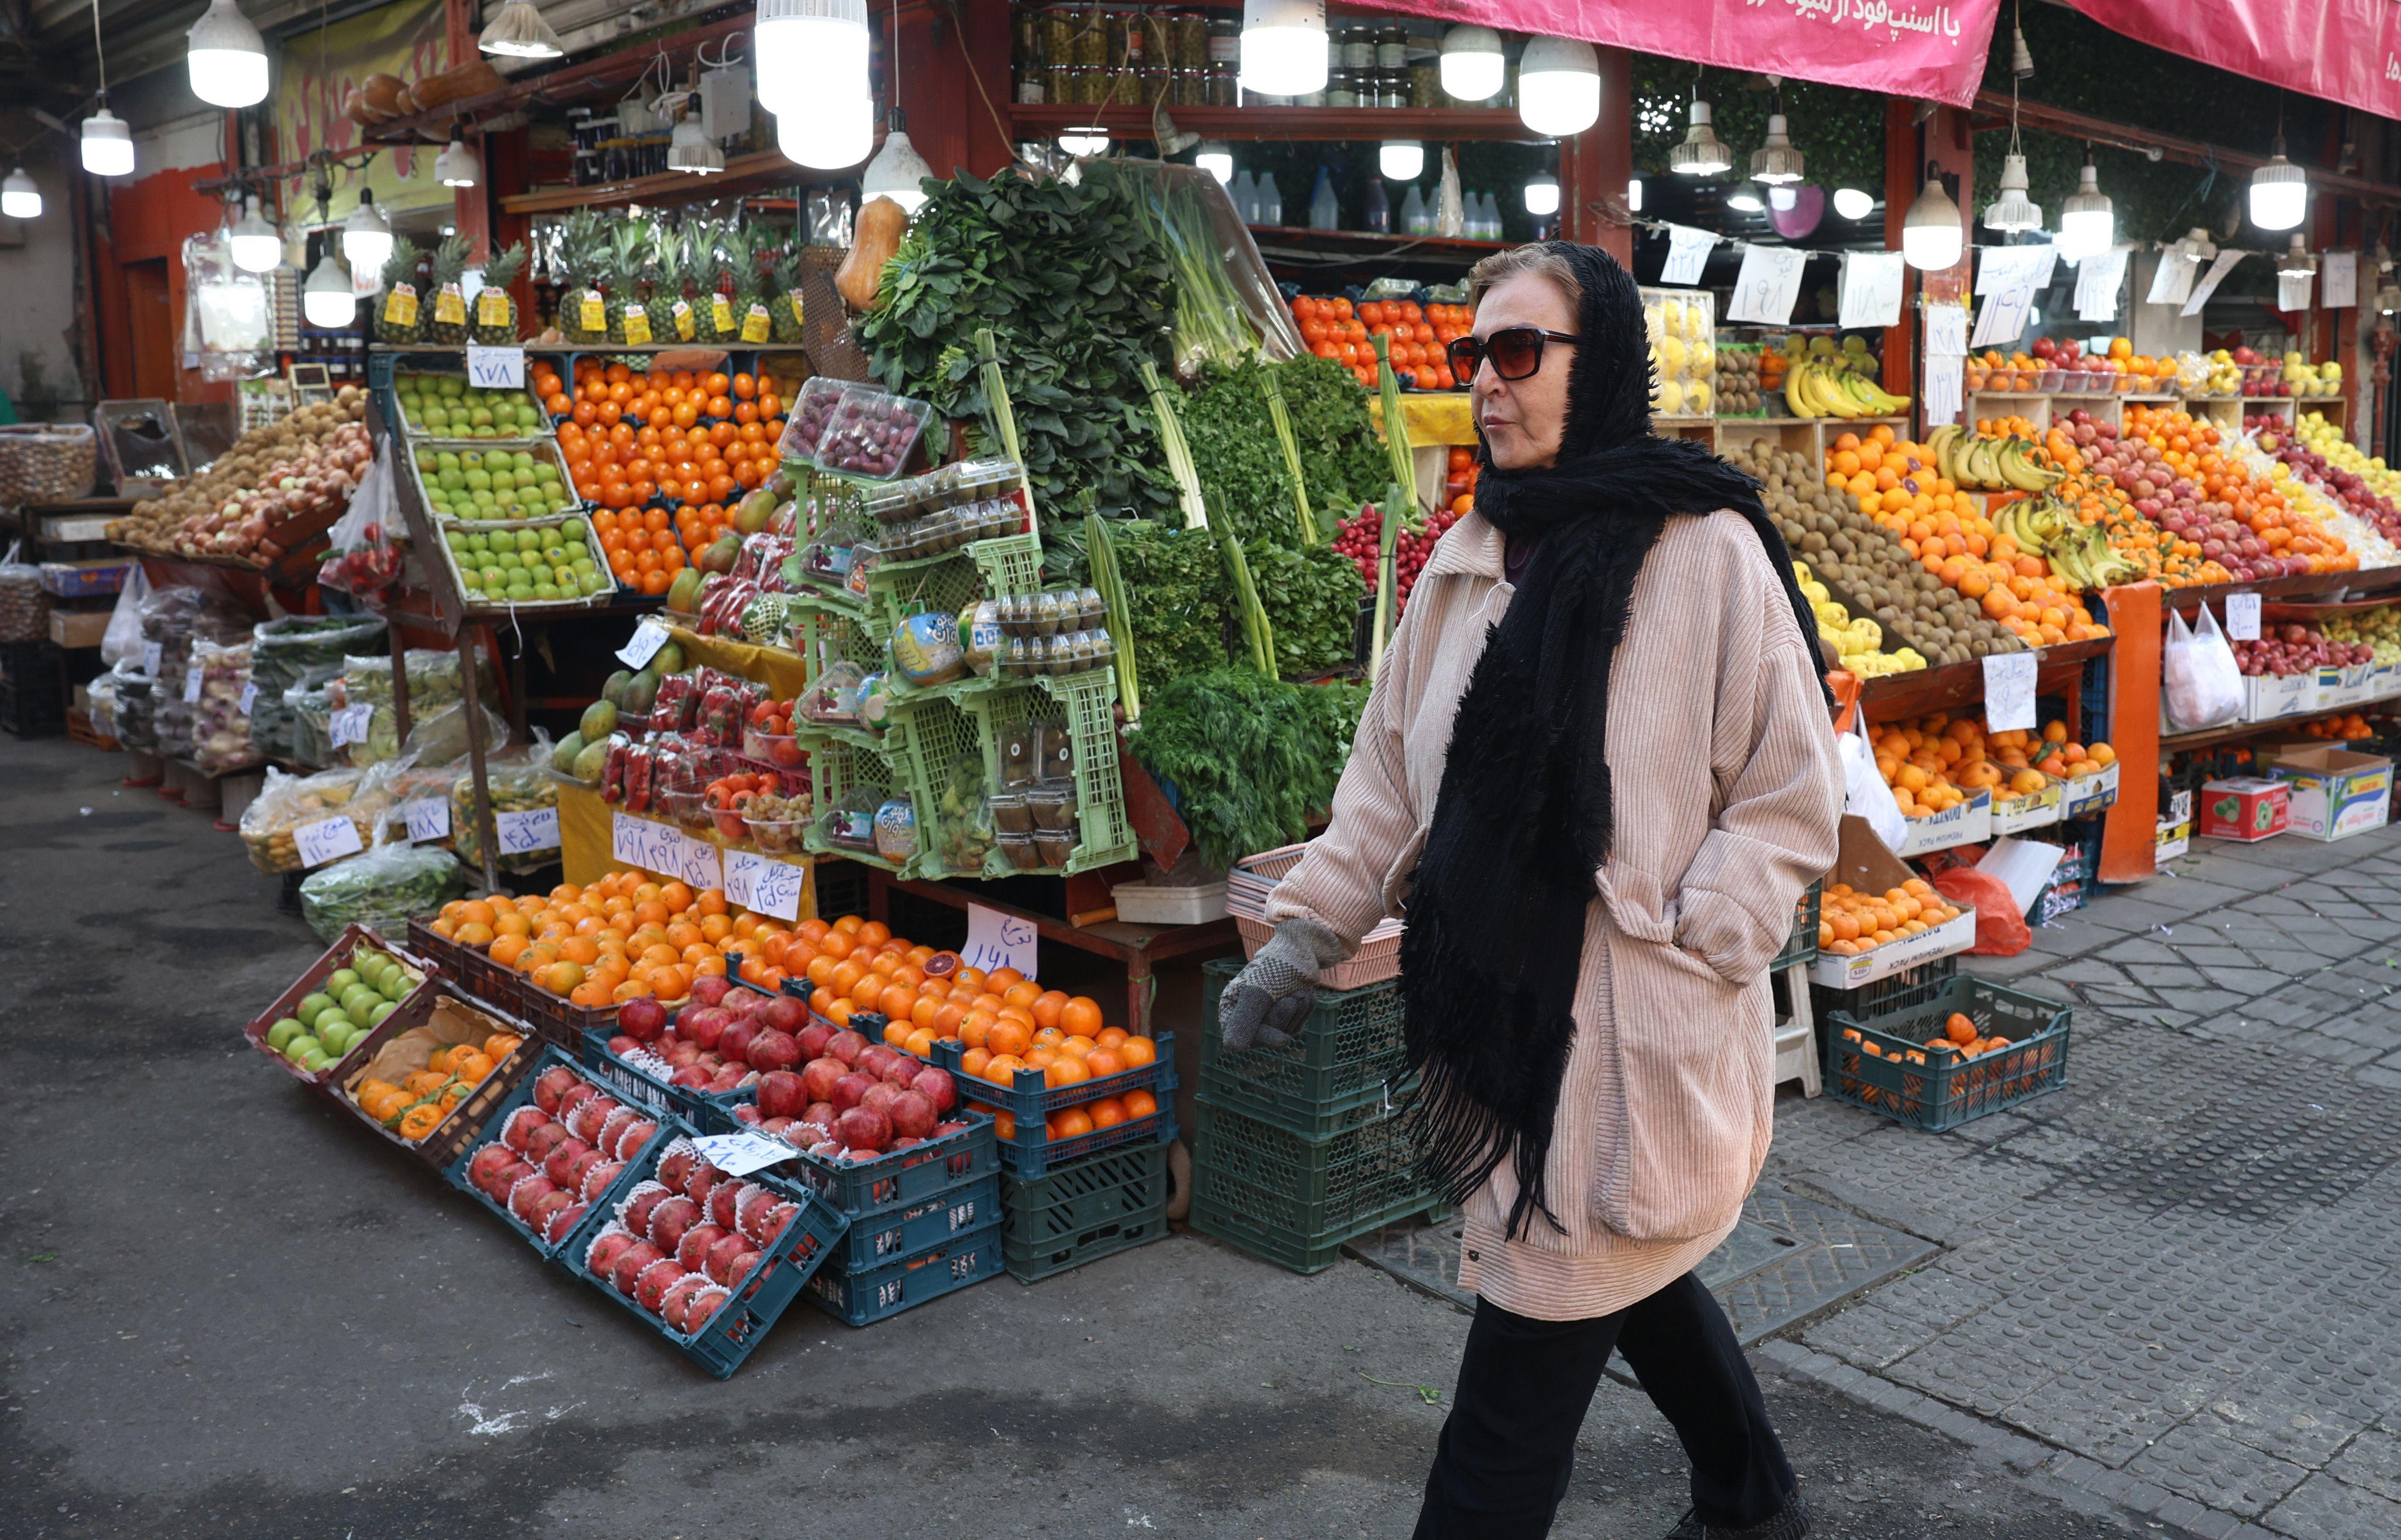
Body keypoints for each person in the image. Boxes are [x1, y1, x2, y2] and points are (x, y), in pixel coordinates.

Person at [1217, 241, 1843, 1539]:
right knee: (1624, 1273)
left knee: (1513, 1400)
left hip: (1634, 1025)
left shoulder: (1706, 549)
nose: (1486, 386)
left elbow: (1791, 789)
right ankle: (1756, 1497)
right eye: (1472, 356)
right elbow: (1388, 781)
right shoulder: (1469, 556)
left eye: (1517, 352)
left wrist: (1709, 935)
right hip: (1501, 1024)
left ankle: (1748, 1497)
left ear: (1598, 361)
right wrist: (1301, 940)